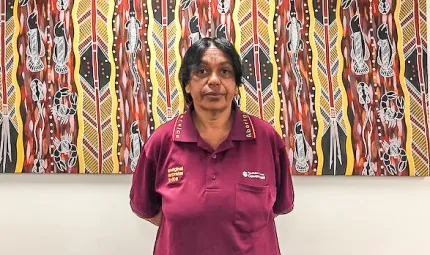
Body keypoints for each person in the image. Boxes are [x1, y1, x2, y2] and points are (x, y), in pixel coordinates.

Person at [129, 37, 294, 255]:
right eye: (202, 72)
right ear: (187, 84)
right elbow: (147, 209)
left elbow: (277, 207)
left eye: (225, 72)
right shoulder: (162, 142)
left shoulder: (266, 139)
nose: (214, 81)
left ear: (236, 86)